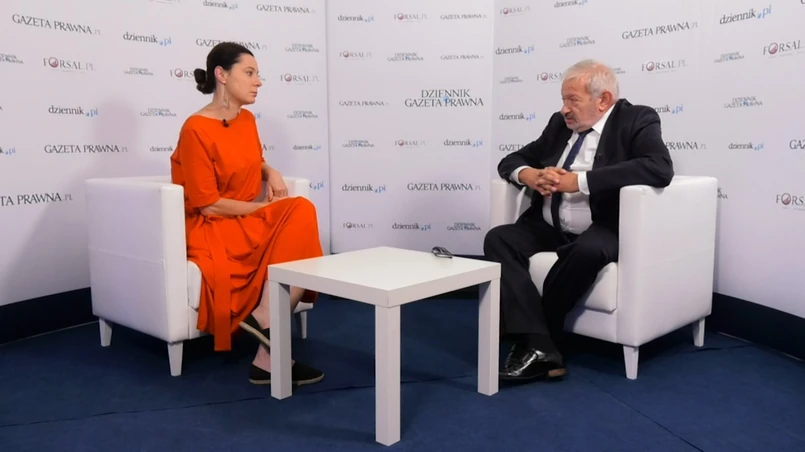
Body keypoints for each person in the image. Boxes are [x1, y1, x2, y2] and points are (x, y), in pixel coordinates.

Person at [484, 59, 674, 382]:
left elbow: (659, 167)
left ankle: (536, 339)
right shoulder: (559, 125)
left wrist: (580, 181)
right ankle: (542, 344)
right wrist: (530, 175)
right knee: (499, 239)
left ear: (603, 100)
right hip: (549, 225)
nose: (564, 109)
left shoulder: (637, 119)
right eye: (563, 100)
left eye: (573, 100)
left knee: (587, 250)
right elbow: (512, 160)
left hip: (603, 226)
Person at [170, 42, 324, 386]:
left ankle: (266, 350)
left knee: (301, 212)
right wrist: (264, 209)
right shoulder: (195, 129)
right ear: (222, 75)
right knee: (299, 209)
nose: (258, 81)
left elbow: (250, 159)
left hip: (244, 220)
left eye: (258, 74)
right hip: (213, 226)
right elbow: (207, 203)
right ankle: (266, 328)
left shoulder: (247, 119)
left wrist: (271, 171)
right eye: (250, 73)